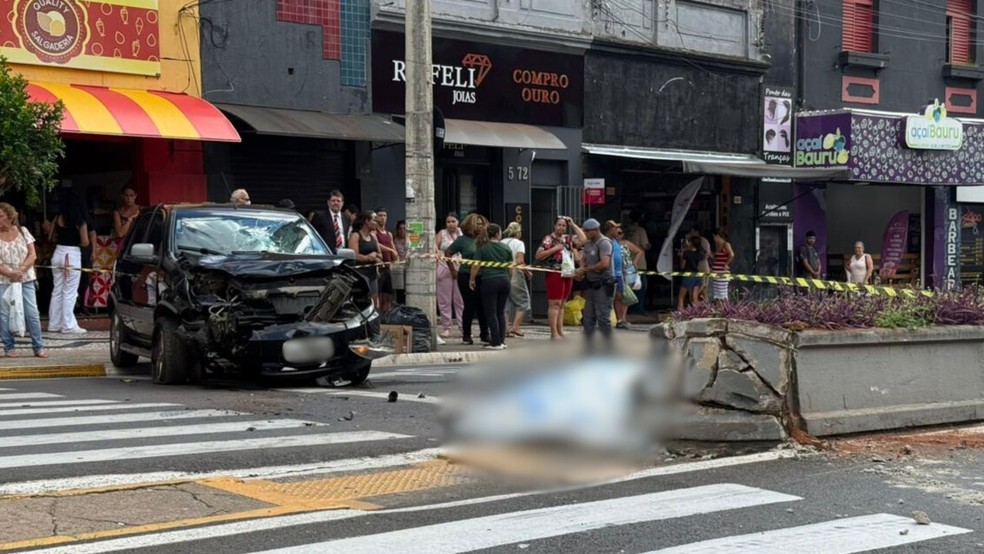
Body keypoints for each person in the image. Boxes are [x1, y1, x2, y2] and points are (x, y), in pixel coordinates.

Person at [0, 203, 46, 358]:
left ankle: (38, 346)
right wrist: (10, 273)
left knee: (32, 312)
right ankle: (9, 347)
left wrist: (20, 271)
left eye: (1, 216)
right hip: (4, 280)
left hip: (25, 279)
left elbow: (32, 255)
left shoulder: (23, 231)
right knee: (5, 314)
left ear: (9, 216)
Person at [535, 216, 585, 340]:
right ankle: (554, 333)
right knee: (554, 304)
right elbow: (539, 255)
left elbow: (583, 239)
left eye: (564, 225)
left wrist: (573, 224)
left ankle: (560, 331)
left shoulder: (568, 239)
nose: (561, 227)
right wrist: (554, 249)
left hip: (567, 273)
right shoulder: (549, 239)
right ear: (554, 226)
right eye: (559, 225)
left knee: (562, 304)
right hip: (554, 273)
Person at [47, 190, 90, 335]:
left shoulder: (57, 218)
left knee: (57, 289)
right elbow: (85, 242)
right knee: (70, 292)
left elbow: (51, 238)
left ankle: (54, 323)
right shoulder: (80, 221)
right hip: (71, 255)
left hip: (58, 253)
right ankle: (68, 325)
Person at [447, 213, 490, 345]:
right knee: (469, 305)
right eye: (478, 224)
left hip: (483, 276)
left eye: (483, 224)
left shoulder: (485, 240)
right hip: (465, 275)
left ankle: (484, 334)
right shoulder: (463, 240)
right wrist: (453, 270)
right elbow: (448, 253)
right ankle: (466, 335)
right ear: (471, 225)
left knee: (483, 306)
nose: (481, 226)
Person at [470, 223, 513, 351]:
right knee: (500, 311)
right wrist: (509, 279)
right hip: (504, 280)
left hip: (489, 281)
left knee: (491, 312)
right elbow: (511, 267)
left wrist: (472, 279)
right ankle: (502, 340)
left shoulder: (483, 248)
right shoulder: (506, 248)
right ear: (498, 233)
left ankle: (495, 342)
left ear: (488, 234)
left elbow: (475, 266)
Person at [574, 218, 614, 350]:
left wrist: (586, 269)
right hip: (591, 284)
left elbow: (604, 264)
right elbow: (584, 259)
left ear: (595, 230)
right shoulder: (589, 243)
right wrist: (580, 269)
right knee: (587, 317)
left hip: (603, 284)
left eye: (587, 231)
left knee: (603, 317)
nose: (585, 233)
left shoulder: (604, 243)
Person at [436, 213, 464, 338]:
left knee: (460, 300)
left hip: (460, 269)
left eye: (453, 221)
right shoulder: (441, 234)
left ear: (458, 222)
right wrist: (437, 254)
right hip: (444, 268)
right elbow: (434, 248)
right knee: (444, 300)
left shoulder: (463, 234)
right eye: (448, 222)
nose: (451, 224)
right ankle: (446, 327)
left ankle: (463, 326)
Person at [501, 222, 531, 338]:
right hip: (515, 273)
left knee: (505, 302)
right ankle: (516, 327)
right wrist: (527, 272)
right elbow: (520, 260)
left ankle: (505, 329)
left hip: (502, 273)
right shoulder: (519, 243)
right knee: (524, 301)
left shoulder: (501, 242)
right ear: (518, 232)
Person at [348, 211, 383, 306]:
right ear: (366, 221)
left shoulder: (373, 237)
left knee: (375, 301)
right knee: (363, 302)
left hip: (372, 275)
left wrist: (375, 256)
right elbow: (354, 255)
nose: (376, 222)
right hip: (360, 276)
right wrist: (369, 258)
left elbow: (380, 255)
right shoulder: (355, 236)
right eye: (374, 220)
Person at [614, 224, 645, 328]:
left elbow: (639, 251)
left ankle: (623, 318)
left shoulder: (626, 243)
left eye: (620, 233)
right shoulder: (610, 244)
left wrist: (635, 263)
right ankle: (619, 319)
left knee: (626, 295)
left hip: (628, 271)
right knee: (618, 296)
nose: (618, 235)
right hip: (616, 271)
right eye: (616, 232)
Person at [374, 208, 398, 313]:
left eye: (384, 215)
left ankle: (386, 317)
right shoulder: (374, 232)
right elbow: (376, 244)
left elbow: (393, 248)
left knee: (388, 295)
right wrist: (390, 250)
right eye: (380, 215)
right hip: (379, 268)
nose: (383, 218)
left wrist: (395, 255)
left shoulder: (389, 234)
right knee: (378, 295)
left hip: (388, 268)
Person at [626, 213, 651, 314]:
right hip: (639, 262)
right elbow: (644, 246)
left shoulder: (625, 230)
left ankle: (629, 308)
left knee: (628, 287)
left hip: (626, 261)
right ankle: (638, 308)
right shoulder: (641, 230)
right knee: (641, 286)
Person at [678, 236, 705, 310]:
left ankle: (680, 313)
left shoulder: (686, 253)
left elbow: (682, 266)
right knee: (695, 297)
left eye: (689, 242)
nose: (688, 243)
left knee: (681, 296)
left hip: (688, 275)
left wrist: (681, 256)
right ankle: (696, 313)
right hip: (696, 275)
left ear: (692, 243)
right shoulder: (699, 254)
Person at [711, 227, 734, 302]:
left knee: (723, 294)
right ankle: (720, 310)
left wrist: (726, 264)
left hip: (722, 273)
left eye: (714, 237)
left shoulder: (726, 244)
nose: (713, 239)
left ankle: (727, 311)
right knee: (717, 295)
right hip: (716, 273)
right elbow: (717, 258)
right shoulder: (718, 246)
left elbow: (732, 255)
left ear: (717, 236)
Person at [393, 220, 408, 304]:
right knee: (400, 292)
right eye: (400, 229)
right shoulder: (395, 241)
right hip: (399, 269)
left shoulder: (411, 240)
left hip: (409, 268)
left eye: (404, 228)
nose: (402, 231)